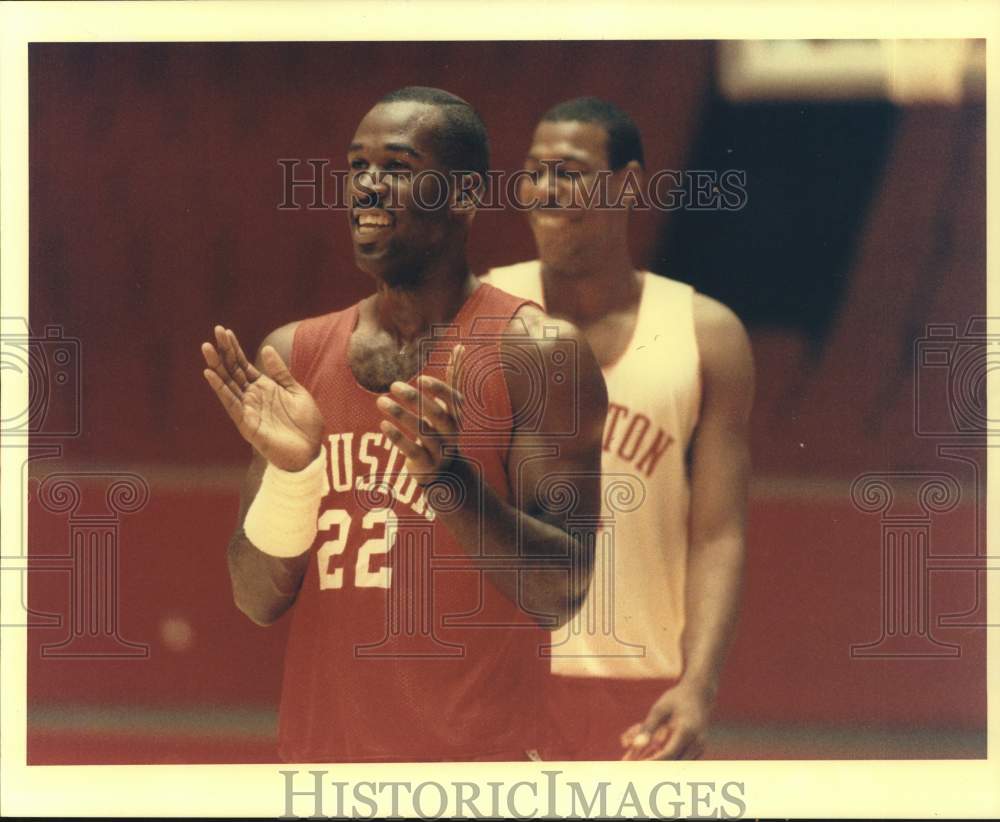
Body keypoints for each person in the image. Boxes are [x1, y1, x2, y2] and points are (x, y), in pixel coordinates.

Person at [200, 87, 608, 763]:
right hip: (322, 772)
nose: (365, 185)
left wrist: (450, 482)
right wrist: (294, 474)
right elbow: (256, 597)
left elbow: (561, 590)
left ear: (465, 194)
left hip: (480, 781)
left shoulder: (535, 352)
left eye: (395, 165)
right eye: (356, 166)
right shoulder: (298, 354)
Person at [484, 97, 753, 761]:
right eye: (534, 171)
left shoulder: (706, 335)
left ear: (628, 183)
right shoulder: (479, 315)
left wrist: (700, 684)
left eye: (569, 170)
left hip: (644, 683)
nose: (545, 189)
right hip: (495, 680)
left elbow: (718, 533)